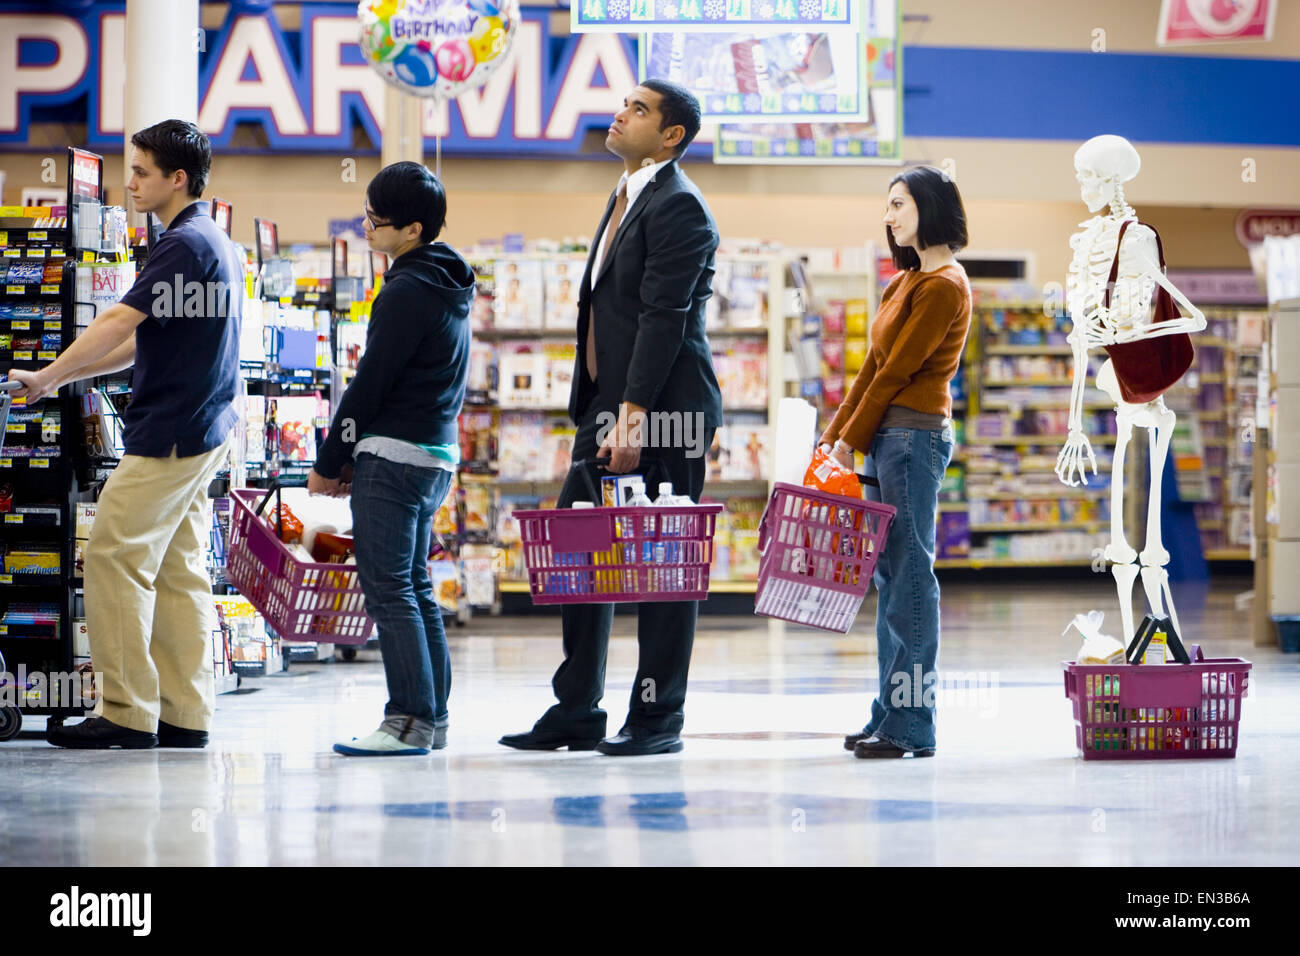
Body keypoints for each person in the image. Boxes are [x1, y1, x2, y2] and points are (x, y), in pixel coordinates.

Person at [499, 79, 723, 757]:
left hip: (665, 409)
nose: (619, 114)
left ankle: (657, 717)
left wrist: (631, 417)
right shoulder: (628, 193)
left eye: (638, 109)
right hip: (611, 403)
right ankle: (577, 708)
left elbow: (664, 319)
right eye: (624, 104)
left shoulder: (680, 206)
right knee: (576, 548)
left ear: (672, 134)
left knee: (661, 562)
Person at [7, 120, 242, 749]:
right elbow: (142, 343)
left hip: (172, 432)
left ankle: (127, 712)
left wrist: (52, 370)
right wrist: (57, 381)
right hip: (204, 427)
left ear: (177, 179)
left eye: (141, 172)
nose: (130, 183)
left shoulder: (182, 245)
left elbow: (116, 320)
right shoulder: (213, 240)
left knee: (111, 556)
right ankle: (186, 713)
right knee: (175, 568)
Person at [309, 162, 475, 757]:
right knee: (414, 587)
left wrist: (332, 458)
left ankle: (406, 720)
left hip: (394, 455)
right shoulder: (448, 282)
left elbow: (369, 384)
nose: (367, 228)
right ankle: (432, 718)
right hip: (434, 455)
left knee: (389, 591)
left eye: (376, 220)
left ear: (411, 229)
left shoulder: (406, 288)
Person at [818, 165, 971, 759]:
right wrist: (836, 436)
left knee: (909, 578)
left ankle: (913, 723)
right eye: (888, 205)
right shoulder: (905, 281)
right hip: (888, 437)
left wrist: (848, 439)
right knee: (889, 578)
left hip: (912, 438)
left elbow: (900, 373)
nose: (890, 216)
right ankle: (889, 711)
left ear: (929, 208)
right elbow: (871, 369)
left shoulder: (944, 286)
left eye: (900, 204)